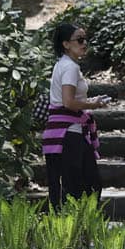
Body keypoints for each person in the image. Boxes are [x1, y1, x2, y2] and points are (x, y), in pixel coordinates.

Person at [44, 22, 107, 208]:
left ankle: (74, 230)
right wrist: (93, 104)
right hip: (69, 134)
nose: (84, 43)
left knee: (72, 187)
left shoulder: (63, 65)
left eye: (85, 39)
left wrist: (89, 102)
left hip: (63, 133)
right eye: (79, 40)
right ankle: (81, 231)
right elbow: (68, 102)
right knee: (85, 188)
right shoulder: (70, 67)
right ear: (66, 44)